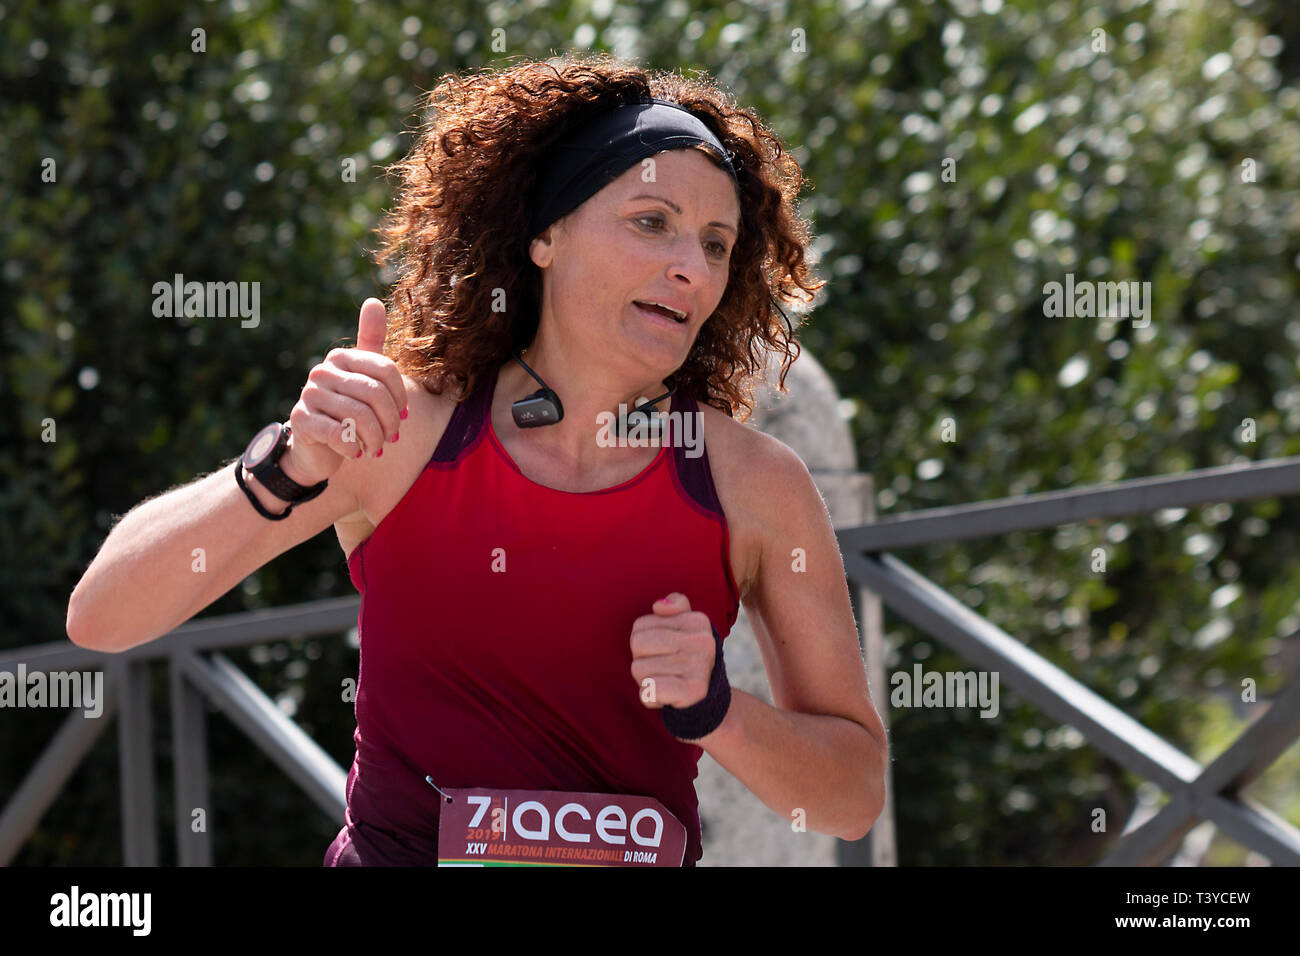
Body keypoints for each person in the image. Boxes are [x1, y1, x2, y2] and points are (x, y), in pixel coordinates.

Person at [66, 53, 888, 867]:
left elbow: (852, 797)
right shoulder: (403, 429)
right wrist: (286, 466)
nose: (690, 266)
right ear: (545, 237)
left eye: (717, 243)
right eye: (651, 222)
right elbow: (102, 618)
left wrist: (721, 712)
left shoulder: (754, 484)